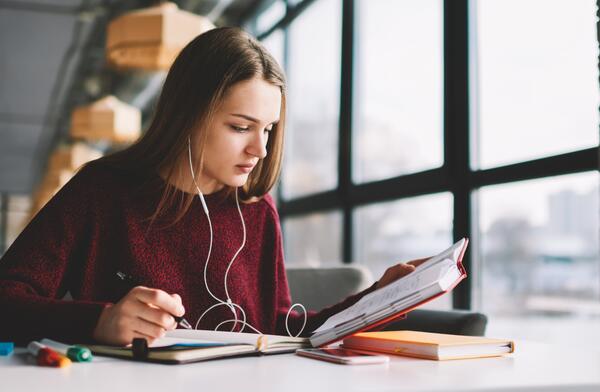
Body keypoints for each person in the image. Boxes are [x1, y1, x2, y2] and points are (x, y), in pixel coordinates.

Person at [0, 27, 424, 346]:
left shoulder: (256, 210)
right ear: (189, 114)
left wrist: (377, 300)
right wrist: (99, 321)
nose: (260, 148)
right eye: (241, 127)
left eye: (269, 129)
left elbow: (279, 329)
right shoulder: (101, 191)